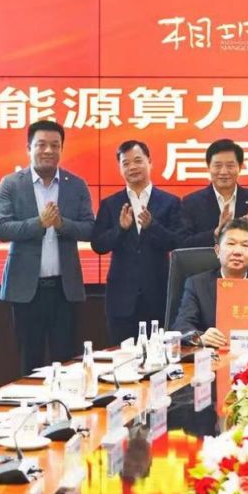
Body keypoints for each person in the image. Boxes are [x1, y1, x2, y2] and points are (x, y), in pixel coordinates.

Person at [0, 120, 94, 375]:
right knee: (30, 362)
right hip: (26, 290)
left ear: (62, 149)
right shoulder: (11, 183)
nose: (48, 150)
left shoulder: (76, 184)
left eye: (55, 145)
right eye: (41, 145)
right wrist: (39, 223)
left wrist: (61, 224)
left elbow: (89, 229)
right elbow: (2, 229)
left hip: (64, 289)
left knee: (66, 361)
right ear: (29, 148)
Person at [92, 140, 181, 346]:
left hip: (157, 294)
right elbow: (98, 244)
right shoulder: (110, 203)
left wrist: (152, 226)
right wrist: (120, 229)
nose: (132, 167)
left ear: (150, 162)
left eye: (138, 161)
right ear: (120, 168)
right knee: (122, 355)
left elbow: (177, 242)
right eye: (126, 163)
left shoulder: (170, 202)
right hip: (121, 298)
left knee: (158, 356)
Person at [172, 218, 248, 348]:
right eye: (231, 244)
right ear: (217, 250)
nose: (237, 251)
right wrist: (200, 338)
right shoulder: (197, 284)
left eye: (245, 245)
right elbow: (181, 325)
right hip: (212, 356)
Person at [178, 139, 248, 276]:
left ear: (240, 167)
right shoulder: (191, 202)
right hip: (205, 280)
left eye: (230, 165)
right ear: (208, 167)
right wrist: (215, 233)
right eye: (218, 165)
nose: (224, 171)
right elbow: (182, 244)